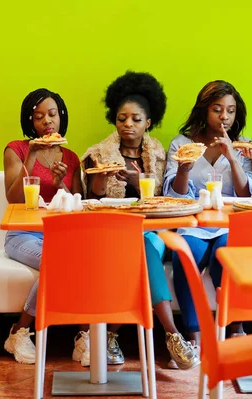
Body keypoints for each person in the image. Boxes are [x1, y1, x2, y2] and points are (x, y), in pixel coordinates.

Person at [82, 71, 199, 370]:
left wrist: (139, 180)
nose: (127, 125)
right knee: (140, 252)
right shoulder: (97, 153)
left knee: (145, 246)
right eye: (122, 118)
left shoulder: (158, 153)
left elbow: (165, 198)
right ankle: (172, 335)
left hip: (153, 233)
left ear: (148, 122)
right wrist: (100, 178)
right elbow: (90, 200)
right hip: (110, 234)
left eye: (135, 119)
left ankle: (112, 334)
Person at [163, 80, 252, 346]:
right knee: (186, 255)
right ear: (204, 110)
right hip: (193, 223)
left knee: (226, 255)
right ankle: (194, 336)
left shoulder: (243, 146)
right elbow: (174, 196)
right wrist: (183, 169)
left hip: (229, 225)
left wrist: (231, 156)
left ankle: (235, 326)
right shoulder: (182, 143)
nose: (224, 117)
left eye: (230, 110)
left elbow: (247, 195)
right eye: (218, 109)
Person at [3, 88, 84, 364]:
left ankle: (83, 336)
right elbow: (13, 198)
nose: (47, 122)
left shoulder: (71, 157)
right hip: (22, 235)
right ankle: (21, 331)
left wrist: (62, 183)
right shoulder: (16, 149)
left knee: (81, 259)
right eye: (39, 117)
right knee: (59, 260)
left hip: (61, 235)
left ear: (61, 117)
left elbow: (77, 203)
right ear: (31, 122)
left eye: (52, 114)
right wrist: (31, 158)